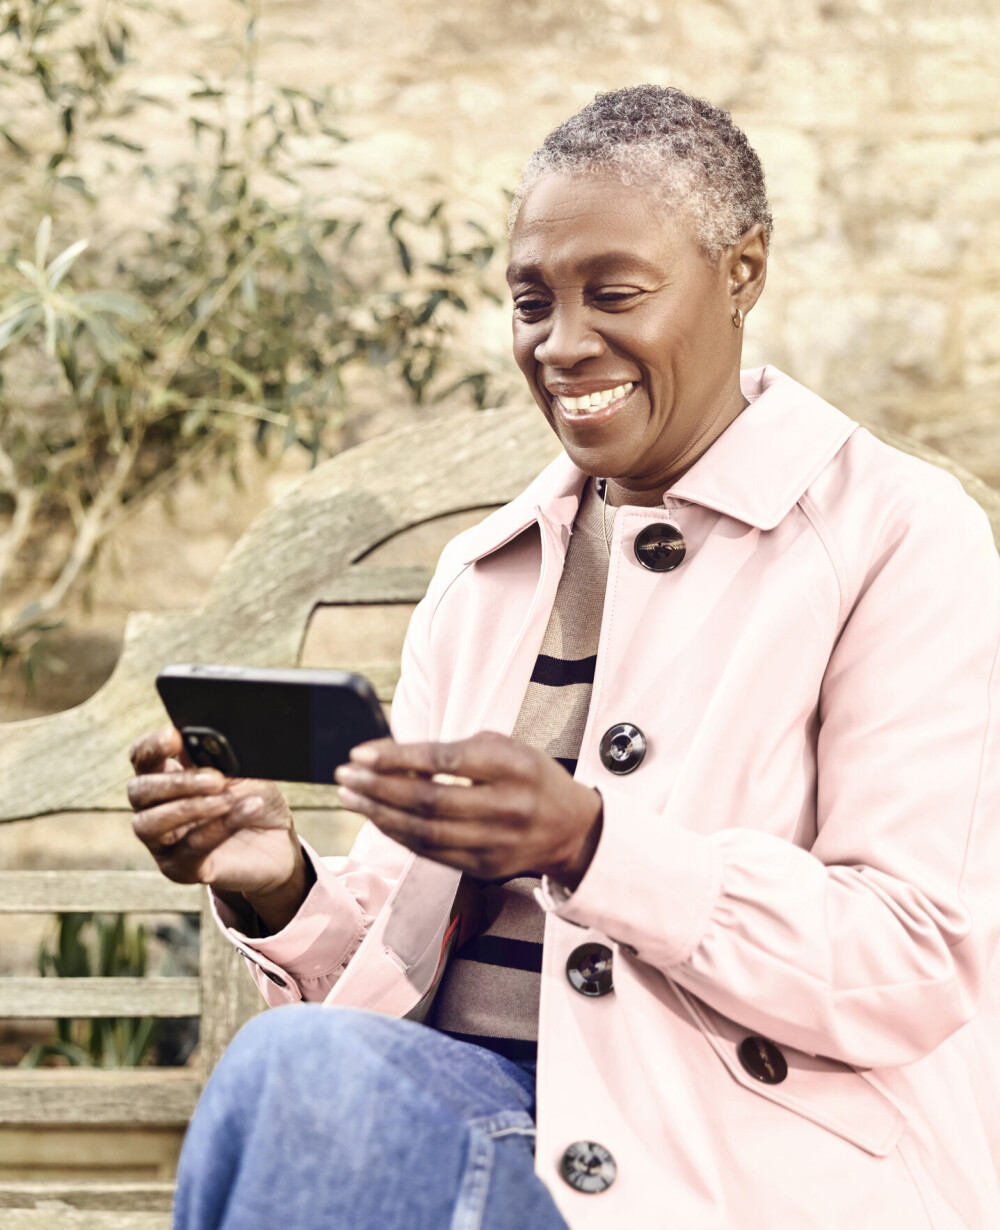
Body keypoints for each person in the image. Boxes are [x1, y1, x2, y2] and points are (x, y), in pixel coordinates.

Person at [128, 85, 1000, 1229]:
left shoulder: (896, 533)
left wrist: (593, 843)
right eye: (529, 300)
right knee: (300, 1066)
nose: (562, 341)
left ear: (742, 272)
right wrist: (275, 884)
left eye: (615, 294)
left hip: (730, 1166)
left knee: (306, 1076)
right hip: (471, 1127)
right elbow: (399, 953)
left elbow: (911, 957)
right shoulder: (483, 577)